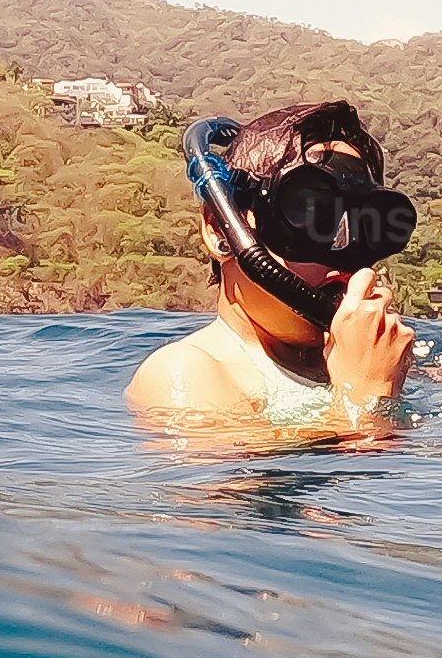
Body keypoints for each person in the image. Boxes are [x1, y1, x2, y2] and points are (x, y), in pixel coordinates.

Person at [127, 101, 419, 441]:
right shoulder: (183, 372)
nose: (343, 249)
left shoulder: (361, 357)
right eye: (310, 214)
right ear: (221, 231)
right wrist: (368, 395)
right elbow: (233, 489)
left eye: (368, 224)